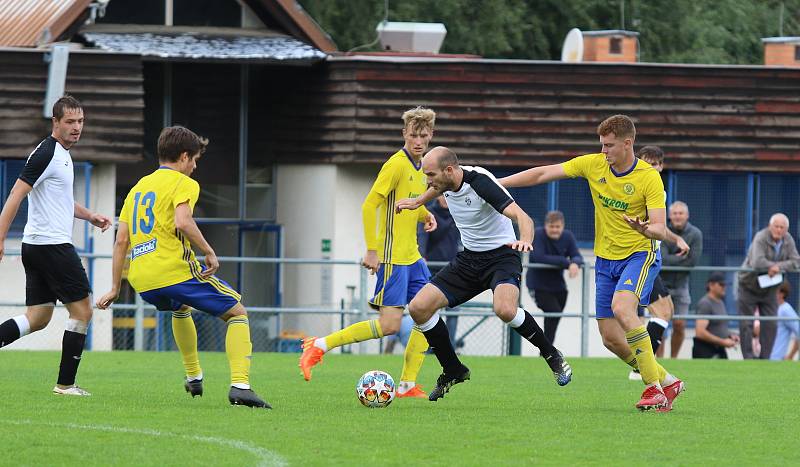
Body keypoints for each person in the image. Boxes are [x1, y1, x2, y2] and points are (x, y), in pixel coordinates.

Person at [499, 115, 684, 412]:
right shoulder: (594, 164)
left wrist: (644, 229)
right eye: (601, 145)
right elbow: (543, 174)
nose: (604, 151)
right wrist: (496, 184)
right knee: (611, 339)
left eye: (609, 146)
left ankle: (653, 389)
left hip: (639, 254)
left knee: (622, 308)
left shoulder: (649, 177)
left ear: (628, 143)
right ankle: (667, 381)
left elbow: (660, 228)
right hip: (605, 259)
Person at [96, 126, 270, 408]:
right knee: (237, 313)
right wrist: (209, 251)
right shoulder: (183, 183)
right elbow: (183, 221)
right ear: (185, 156)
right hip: (172, 270)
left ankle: (194, 376)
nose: (195, 167)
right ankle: (241, 386)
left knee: (180, 307)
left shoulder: (137, 189)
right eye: (195, 160)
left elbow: (121, 241)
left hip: (142, 278)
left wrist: (116, 287)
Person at [396, 147, 572, 402]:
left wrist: (525, 240)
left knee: (504, 309)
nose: (428, 180)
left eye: (430, 174)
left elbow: (524, 217)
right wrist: (418, 201)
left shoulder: (480, 182)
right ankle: (453, 369)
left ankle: (551, 354)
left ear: (449, 170)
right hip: (469, 259)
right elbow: (437, 188)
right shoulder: (445, 182)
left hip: (503, 256)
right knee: (418, 308)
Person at [299, 106, 438, 399]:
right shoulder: (396, 164)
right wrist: (372, 250)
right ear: (404, 134)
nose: (418, 140)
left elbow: (409, 201)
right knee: (390, 325)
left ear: (430, 136)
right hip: (391, 258)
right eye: (413, 135)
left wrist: (425, 214)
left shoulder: (423, 166)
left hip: (412, 257)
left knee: (429, 312)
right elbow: (369, 204)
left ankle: (406, 384)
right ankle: (319, 345)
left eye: (423, 135)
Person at [0, 95, 112, 396]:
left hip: (36, 246)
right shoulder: (47, 153)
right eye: (70, 122)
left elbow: (61, 201)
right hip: (52, 246)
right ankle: (65, 384)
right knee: (83, 311)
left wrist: (89, 215)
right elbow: (15, 194)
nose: (77, 127)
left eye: (80, 121)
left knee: (38, 318)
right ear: (56, 122)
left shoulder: (61, 154)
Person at [634, 147, 693, 365]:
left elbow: (657, 227)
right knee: (656, 313)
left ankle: (642, 364)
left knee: (664, 311)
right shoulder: (639, 189)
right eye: (647, 163)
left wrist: (674, 240)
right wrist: (675, 239)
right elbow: (652, 227)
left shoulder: (659, 190)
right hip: (640, 257)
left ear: (661, 167)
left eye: (656, 164)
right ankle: (641, 365)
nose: (652, 168)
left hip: (650, 258)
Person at [737, 213, 800, 359]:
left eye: (782, 227)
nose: (779, 230)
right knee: (746, 323)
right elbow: (756, 261)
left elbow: (796, 261)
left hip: (770, 288)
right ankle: (748, 358)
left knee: (771, 323)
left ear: (786, 229)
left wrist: (777, 267)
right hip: (749, 285)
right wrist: (773, 266)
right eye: (776, 226)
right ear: (770, 226)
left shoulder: (788, 240)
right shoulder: (761, 237)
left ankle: (765, 359)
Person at [527, 210, 583, 345]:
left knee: (554, 317)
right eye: (551, 227)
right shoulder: (538, 234)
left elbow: (577, 255)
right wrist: (566, 263)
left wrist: (575, 263)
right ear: (546, 226)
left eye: (557, 227)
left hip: (558, 286)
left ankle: (546, 351)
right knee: (553, 311)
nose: (554, 230)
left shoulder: (567, 236)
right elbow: (539, 257)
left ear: (562, 226)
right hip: (538, 285)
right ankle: (546, 348)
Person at [418, 195, 462, 348]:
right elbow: (422, 235)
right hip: (433, 268)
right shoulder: (429, 213)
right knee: (430, 309)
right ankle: (432, 345)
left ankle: (450, 345)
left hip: (454, 268)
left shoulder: (457, 212)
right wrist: (422, 255)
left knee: (454, 309)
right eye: (444, 194)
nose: (447, 198)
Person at [660, 200, 703, 358]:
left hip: (682, 285)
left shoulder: (695, 234)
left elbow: (692, 261)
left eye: (680, 213)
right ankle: (660, 360)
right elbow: (661, 259)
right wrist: (681, 257)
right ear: (670, 216)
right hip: (661, 284)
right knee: (660, 325)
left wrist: (673, 259)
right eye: (675, 213)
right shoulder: (662, 230)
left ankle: (674, 358)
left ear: (687, 215)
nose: (677, 216)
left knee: (679, 324)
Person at [692, 272, 739, 359]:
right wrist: (723, 342)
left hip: (719, 348)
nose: (724, 287)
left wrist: (730, 335)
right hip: (705, 350)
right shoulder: (705, 303)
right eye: (721, 284)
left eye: (725, 285)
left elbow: (718, 327)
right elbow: (700, 332)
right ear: (711, 285)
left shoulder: (720, 302)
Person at [769, 281, 799, 360]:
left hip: (775, 359)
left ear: (782, 294)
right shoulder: (769, 309)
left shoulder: (786, 310)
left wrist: (790, 356)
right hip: (763, 358)